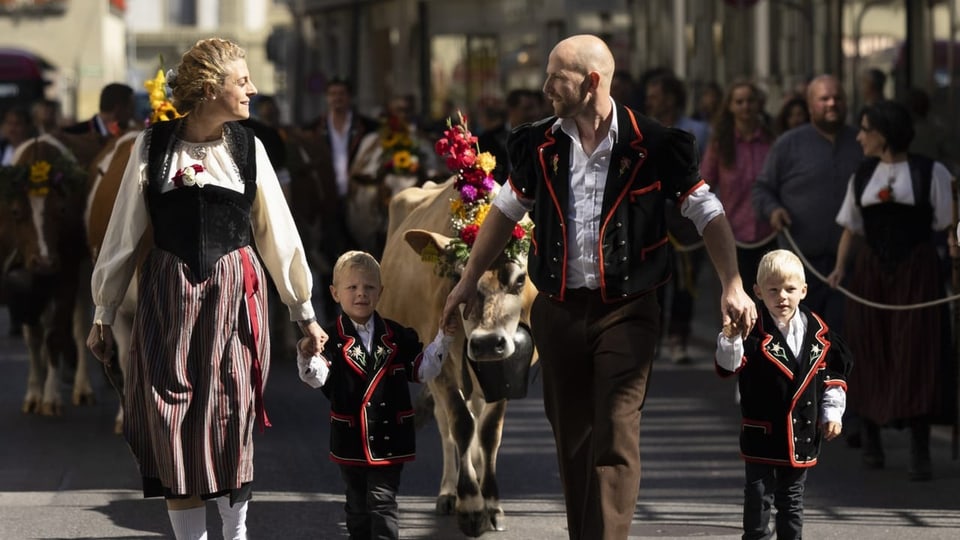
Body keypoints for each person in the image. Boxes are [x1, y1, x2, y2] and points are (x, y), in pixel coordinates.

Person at [441, 34, 755, 540]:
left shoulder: (654, 143)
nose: (544, 87)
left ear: (591, 84)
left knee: (615, 430)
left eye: (555, 78)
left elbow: (708, 212)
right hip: (559, 310)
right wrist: (467, 280)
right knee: (573, 438)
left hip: (628, 311)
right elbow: (504, 211)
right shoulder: (536, 144)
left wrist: (732, 284)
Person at [85, 38, 328, 540]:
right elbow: (122, 235)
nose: (252, 89)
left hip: (234, 297)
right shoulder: (150, 147)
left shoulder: (248, 147)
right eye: (242, 81)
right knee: (170, 420)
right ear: (211, 87)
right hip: (167, 298)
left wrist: (304, 313)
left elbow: (278, 235)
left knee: (231, 413)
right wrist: (103, 312)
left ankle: (235, 534)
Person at [826, 100, 955, 481]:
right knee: (869, 345)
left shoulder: (931, 172)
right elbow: (851, 226)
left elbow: (949, 224)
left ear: (883, 133)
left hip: (916, 271)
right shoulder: (863, 175)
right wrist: (838, 268)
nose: (860, 136)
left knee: (917, 349)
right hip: (872, 272)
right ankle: (871, 438)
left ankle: (920, 446)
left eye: (865, 129)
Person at [296, 250, 449, 540]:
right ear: (335, 293)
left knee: (382, 502)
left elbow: (422, 371)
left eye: (368, 287)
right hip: (351, 438)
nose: (361, 294)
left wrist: (445, 337)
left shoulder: (397, 335)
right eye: (352, 287)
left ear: (381, 292)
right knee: (356, 507)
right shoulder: (330, 338)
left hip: (391, 436)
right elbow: (317, 378)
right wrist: (306, 355)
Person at [716, 249, 852, 540]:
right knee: (758, 495)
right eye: (773, 290)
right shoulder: (752, 330)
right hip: (761, 433)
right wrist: (729, 337)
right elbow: (728, 367)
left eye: (790, 289)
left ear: (803, 291)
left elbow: (831, 378)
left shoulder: (820, 333)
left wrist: (831, 413)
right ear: (757, 292)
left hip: (800, 431)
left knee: (791, 500)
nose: (782, 297)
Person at [752, 74, 862, 331]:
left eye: (838, 98)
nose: (832, 103)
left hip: (849, 268)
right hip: (799, 266)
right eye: (824, 99)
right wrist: (773, 210)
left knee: (842, 338)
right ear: (810, 105)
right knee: (798, 337)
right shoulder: (788, 144)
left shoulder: (861, 142)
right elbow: (761, 189)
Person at [645, 71, 711, 364]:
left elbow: (708, 171)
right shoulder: (643, 128)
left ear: (671, 98)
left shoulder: (699, 130)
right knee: (653, 281)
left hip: (687, 217)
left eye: (655, 97)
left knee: (686, 281)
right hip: (653, 216)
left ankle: (679, 338)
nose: (650, 102)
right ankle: (653, 339)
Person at [701, 80, 778, 287]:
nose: (745, 107)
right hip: (732, 235)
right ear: (730, 106)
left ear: (758, 104)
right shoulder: (720, 143)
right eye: (739, 101)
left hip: (770, 231)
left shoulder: (772, 139)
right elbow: (704, 184)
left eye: (750, 101)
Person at [63, 82, 135, 137]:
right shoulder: (74, 133)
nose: (132, 113)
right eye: (131, 108)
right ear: (118, 108)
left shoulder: (127, 133)